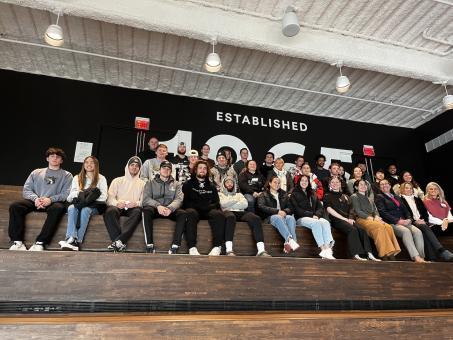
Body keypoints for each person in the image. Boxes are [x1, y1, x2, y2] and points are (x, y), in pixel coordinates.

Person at [9, 147, 73, 251]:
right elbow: (26, 190)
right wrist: (36, 199)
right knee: (15, 206)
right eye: (52, 156)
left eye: (58, 157)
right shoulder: (36, 172)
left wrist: (50, 200)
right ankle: (18, 242)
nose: (55, 158)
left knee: (58, 208)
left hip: (53, 202)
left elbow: (66, 193)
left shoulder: (67, 175)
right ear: (47, 159)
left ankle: (40, 242)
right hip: (35, 200)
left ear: (61, 160)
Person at [59, 156, 108, 251]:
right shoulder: (77, 177)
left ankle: (76, 241)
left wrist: (83, 195)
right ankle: (71, 238)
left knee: (85, 209)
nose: (89, 164)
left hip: (94, 206)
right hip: (79, 204)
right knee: (71, 208)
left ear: (96, 165)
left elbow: (103, 197)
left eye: (92, 162)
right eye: (86, 162)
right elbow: (70, 197)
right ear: (83, 164)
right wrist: (85, 193)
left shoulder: (101, 178)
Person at [324, 177, 378, 261]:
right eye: (333, 182)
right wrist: (344, 219)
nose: (335, 184)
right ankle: (355, 254)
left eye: (337, 182)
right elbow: (329, 209)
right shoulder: (327, 195)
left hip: (348, 219)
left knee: (362, 230)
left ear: (340, 184)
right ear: (330, 184)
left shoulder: (345, 196)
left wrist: (350, 218)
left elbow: (351, 209)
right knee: (353, 230)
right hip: (336, 220)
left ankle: (369, 253)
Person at [375, 179, 426, 263]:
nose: (384, 185)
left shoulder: (396, 197)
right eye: (382, 184)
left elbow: (406, 210)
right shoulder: (380, 197)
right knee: (406, 232)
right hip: (392, 223)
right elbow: (383, 212)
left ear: (390, 185)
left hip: (405, 221)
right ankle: (415, 257)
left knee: (418, 232)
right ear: (380, 187)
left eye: (386, 183)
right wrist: (397, 221)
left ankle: (421, 257)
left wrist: (409, 219)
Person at [142, 161, 187, 254]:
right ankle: (149, 245)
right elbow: (146, 199)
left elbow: (179, 199)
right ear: (160, 170)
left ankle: (175, 245)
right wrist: (158, 206)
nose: (166, 170)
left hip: (170, 210)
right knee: (146, 210)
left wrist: (170, 208)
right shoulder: (150, 183)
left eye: (168, 169)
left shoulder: (177, 184)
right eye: (164, 168)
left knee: (183, 214)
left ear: (171, 171)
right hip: (156, 209)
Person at [400, 182, 453, 261]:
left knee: (424, 232)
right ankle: (441, 250)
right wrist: (415, 220)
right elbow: (404, 214)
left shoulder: (417, 199)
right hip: (412, 222)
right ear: (402, 190)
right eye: (406, 188)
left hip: (423, 222)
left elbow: (424, 213)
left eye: (410, 188)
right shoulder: (400, 200)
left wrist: (445, 220)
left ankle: (432, 258)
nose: (409, 190)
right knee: (425, 227)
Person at [183, 160, 226, 256]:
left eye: (204, 168)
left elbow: (216, 202)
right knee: (189, 212)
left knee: (219, 214)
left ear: (207, 171)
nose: (202, 170)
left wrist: (207, 207)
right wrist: (202, 206)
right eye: (200, 168)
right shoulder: (188, 184)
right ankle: (192, 247)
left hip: (208, 210)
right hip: (194, 210)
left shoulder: (212, 186)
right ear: (195, 170)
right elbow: (186, 202)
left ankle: (217, 247)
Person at [219, 177, 270, 256]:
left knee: (256, 218)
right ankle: (229, 250)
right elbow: (222, 204)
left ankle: (261, 250)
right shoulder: (220, 194)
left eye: (231, 182)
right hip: (227, 212)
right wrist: (236, 200)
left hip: (240, 212)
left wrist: (229, 203)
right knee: (230, 217)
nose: (229, 184)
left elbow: (245, 204)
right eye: (227, 182)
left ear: (234, 184)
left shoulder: (239, 194)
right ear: (224, 184)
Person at [350, 179, 400, 260]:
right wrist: (372, 219)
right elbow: (358, 211)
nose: (363, 186)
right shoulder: (354, 196)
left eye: (365, 184)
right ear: (356, 187)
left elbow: (375, 211)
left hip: (372, 219)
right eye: (361, 184)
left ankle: (391, 252)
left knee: (388, 227)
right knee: (379, 227)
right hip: (361, 219)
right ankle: (384, 254)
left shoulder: (370, 198)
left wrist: (376, 217)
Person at [104, 156, 145, 252]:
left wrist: (136, 203)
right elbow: (110, 198)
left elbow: (144, 201)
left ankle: (119, 240)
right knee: (110, 211)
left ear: (139, 169)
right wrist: (117, 203)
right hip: (119, 206)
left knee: (138, 212)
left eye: (137, 166)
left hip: (133, 207)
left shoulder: (143, 184)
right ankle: (118, 242)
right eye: (132, 165)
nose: (134, 167)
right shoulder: (117, 180)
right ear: (128, 166)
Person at [291, 175, 335, 259]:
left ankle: (328, 250)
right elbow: (297, 210)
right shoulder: (294, 193)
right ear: (299, 182)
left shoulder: (312, 193)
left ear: (309, 182)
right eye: (302, 181)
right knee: (316, 223)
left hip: (314, 217)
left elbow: (320, 207)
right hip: (301, 218)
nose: (304, 182)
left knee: (325, 222)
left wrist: (317, 215)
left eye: (306, 181)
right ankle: (322, 249)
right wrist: (312, 215)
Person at [257, 176, 299, 253]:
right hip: (269, 217)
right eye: (275, 182)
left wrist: (285, 212)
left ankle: (288, 243)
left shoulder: (284, 194)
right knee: (277, 217)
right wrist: (277, 211)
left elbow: (291, 207)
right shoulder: (263, 194)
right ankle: (291, 240)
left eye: (279, 183)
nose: (277, 184)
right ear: (270, 183)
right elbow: (261, 207)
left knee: (290, 218)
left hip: (283, 215)